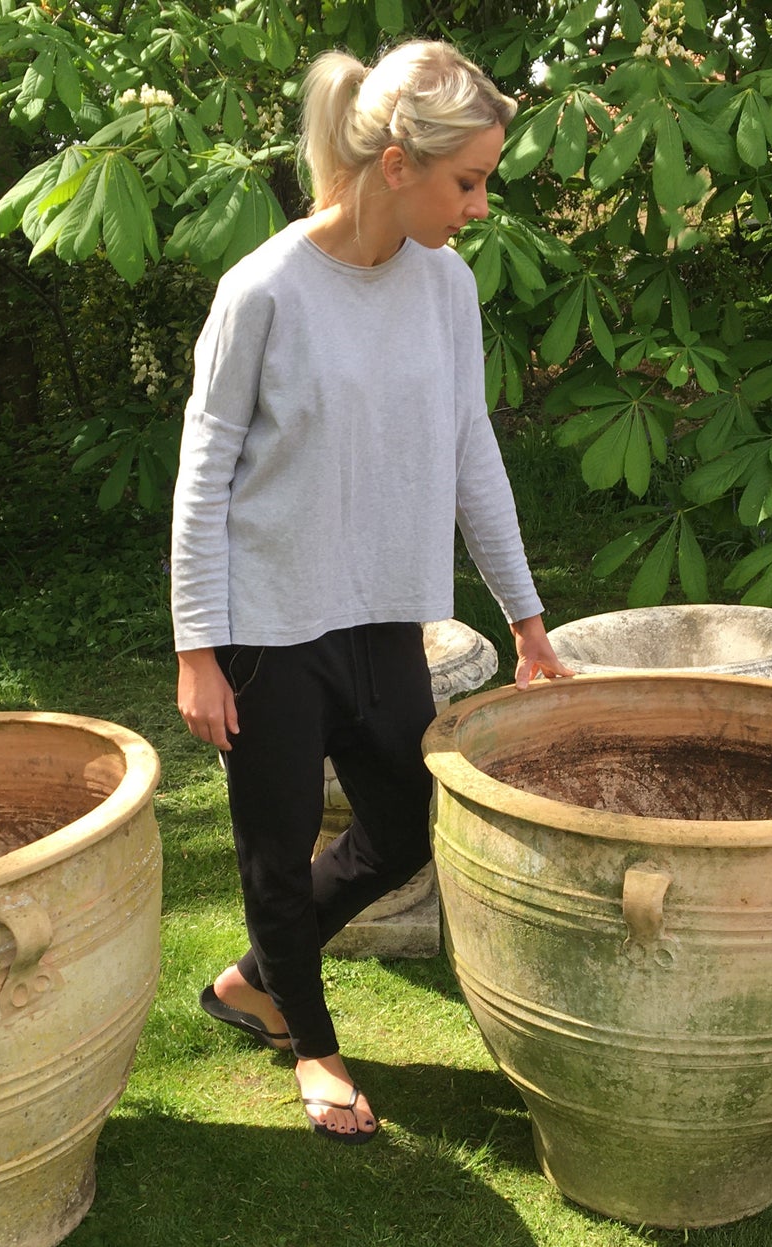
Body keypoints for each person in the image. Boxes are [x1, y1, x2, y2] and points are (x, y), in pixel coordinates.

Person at [170, 39, 572, 1144]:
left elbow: (467, 449)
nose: (480, 205)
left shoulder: (447, 285)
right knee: (275, 842)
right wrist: (196, 646)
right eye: (468, 180)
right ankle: (310, 1041)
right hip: (265, 625)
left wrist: (526, 622)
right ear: (397, 163)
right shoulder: (262, 290)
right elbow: (202, 477)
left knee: (402, 825)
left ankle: (252, 978)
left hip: (384, 617)